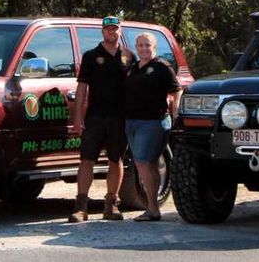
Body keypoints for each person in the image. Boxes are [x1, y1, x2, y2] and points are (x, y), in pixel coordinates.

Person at [68, 16, 135, 222]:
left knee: (116, 160)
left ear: (120, 31)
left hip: (119, 118)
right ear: (102, 32)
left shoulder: (129, 56)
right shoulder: (90, 56)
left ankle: (111, 205)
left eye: (115, 29)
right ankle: (81, 207)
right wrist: (78, 117)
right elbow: (81, 89)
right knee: (87, 159)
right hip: (95, 117)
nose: (111, 32)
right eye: (107, 29)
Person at [123, 32, 182, 221]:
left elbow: (176, 90)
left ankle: (152, 209)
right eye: (140, 45)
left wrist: (175, 112)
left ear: (154, 47)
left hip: (153, 122)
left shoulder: (162, 67)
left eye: (147, 45)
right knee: (150, 164)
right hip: (132, 121)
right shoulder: (134, 67)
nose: (143, 49)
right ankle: (153, 207)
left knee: (143, 163)